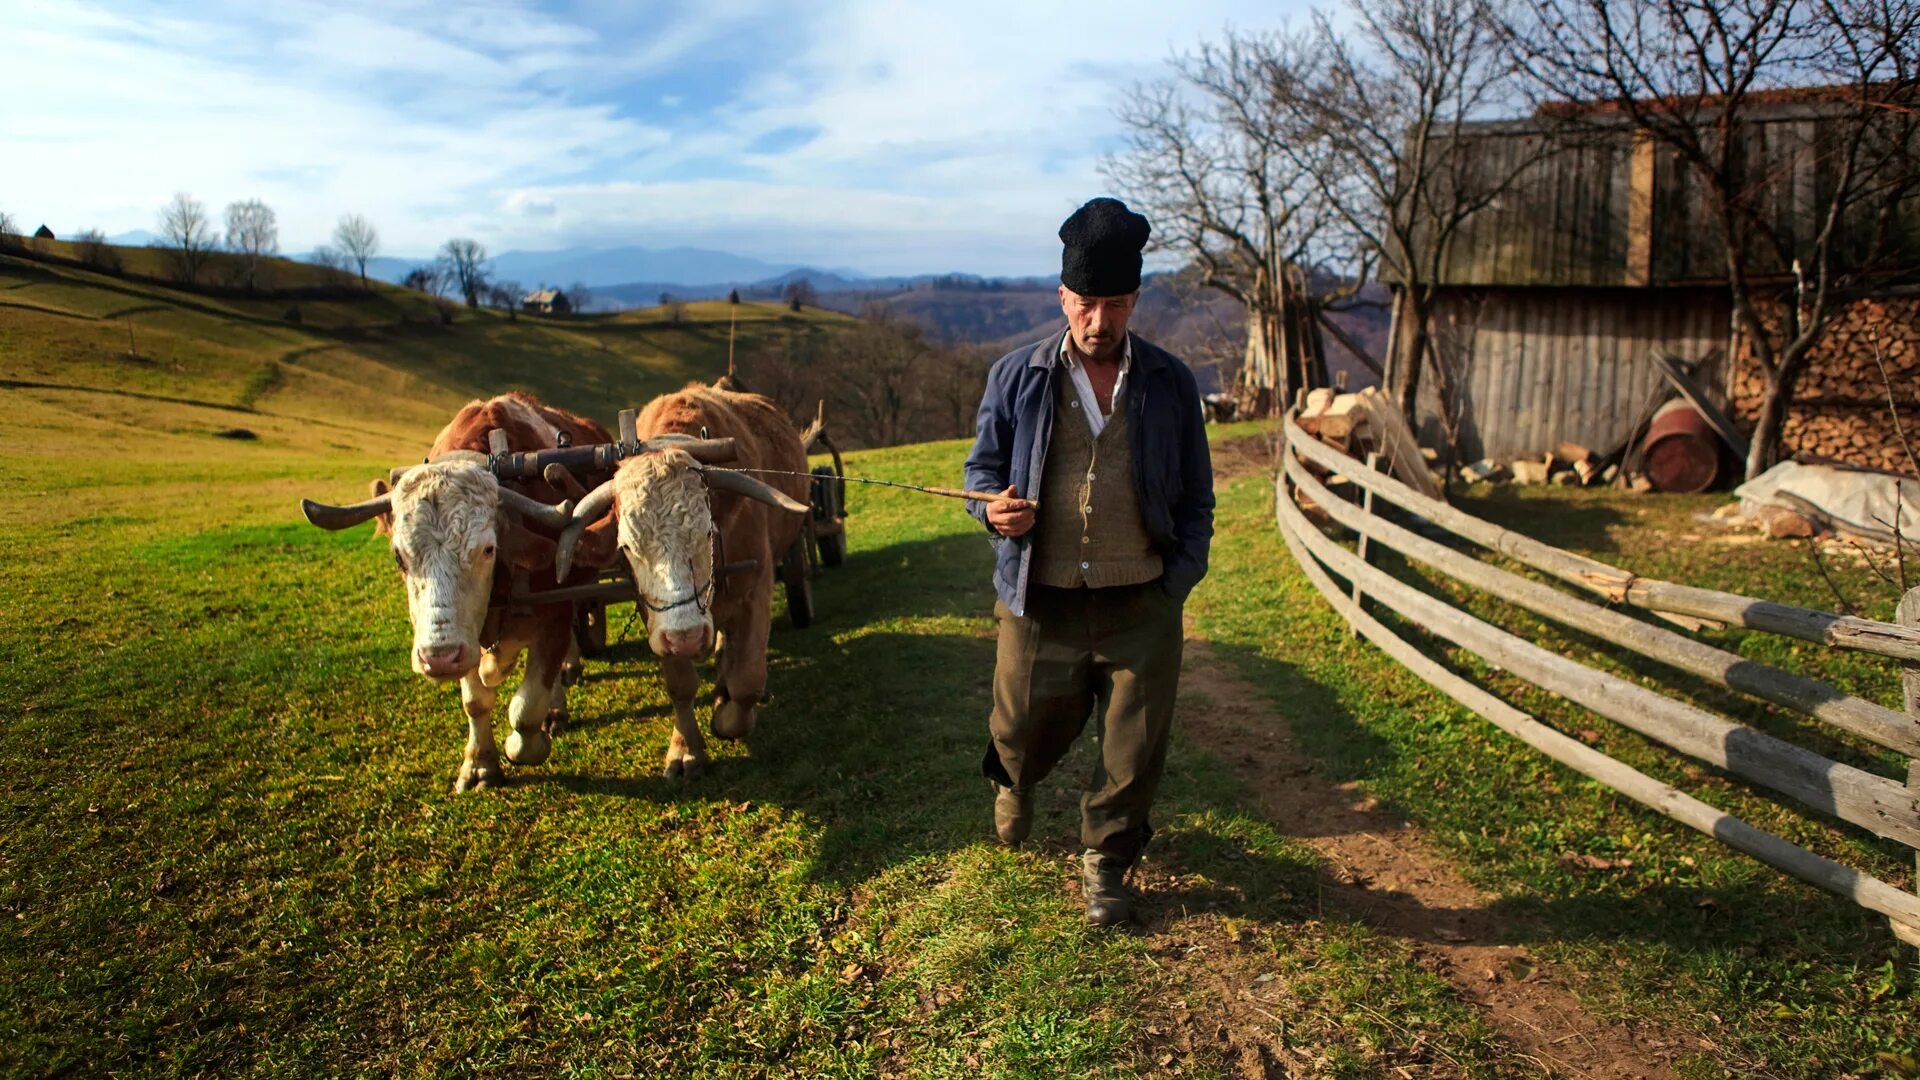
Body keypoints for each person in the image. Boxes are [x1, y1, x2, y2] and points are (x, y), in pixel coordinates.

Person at [963, 196, 1215, 926]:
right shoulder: (1018, 376)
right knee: (1020, 723)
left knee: (1134, 750)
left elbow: (1197, 494)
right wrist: (991, 508)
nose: (1099, 322)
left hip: (1142, 597)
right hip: (1042, 596)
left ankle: (1107, 860)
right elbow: (980, 473)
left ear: (1134, 300)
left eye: (1114, 304)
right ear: (1063, 298)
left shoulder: (1170, 383)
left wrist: (1179, 578)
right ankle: (1013, 779)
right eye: (1085, 305)